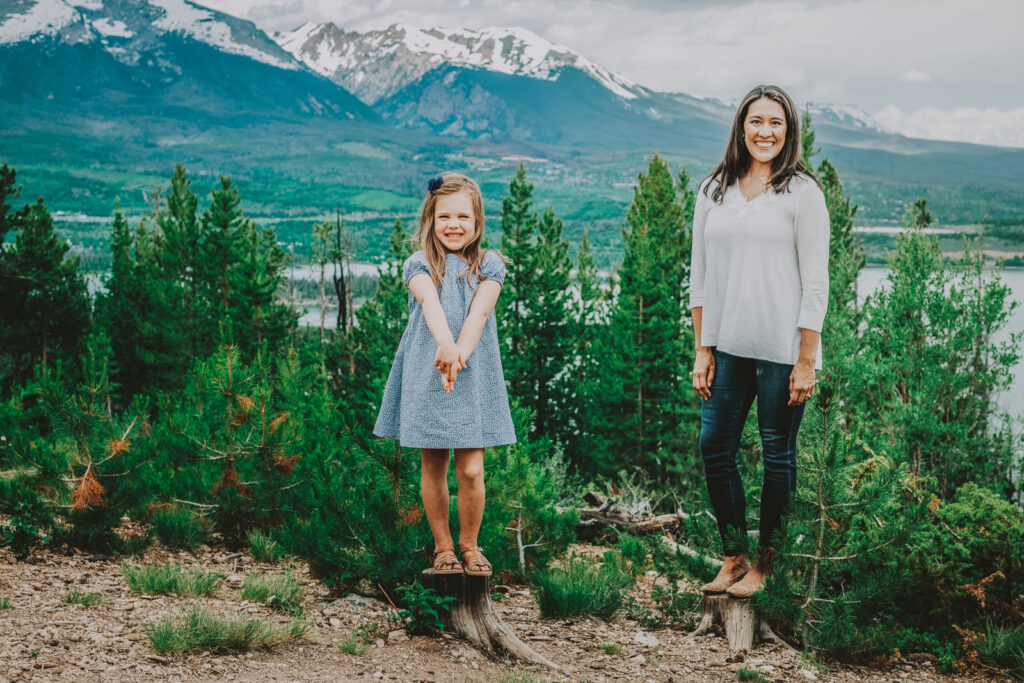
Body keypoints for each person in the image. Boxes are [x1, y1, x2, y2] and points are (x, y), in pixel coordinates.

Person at [689, 84, 830, 598]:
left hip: (782, 349)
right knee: (714, 447)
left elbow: (816, 283)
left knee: (777, 455)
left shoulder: (803, 193)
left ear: (788, 130)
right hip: (727, 345)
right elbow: (698, 277)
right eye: (756, 121)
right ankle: (733, 558)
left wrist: (807, 358)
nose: (765, 131)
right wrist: (703, 348)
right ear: (740, 127)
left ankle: (768, 565)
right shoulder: (713, 190)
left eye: (775, 122)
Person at [374, 172, 516, 576]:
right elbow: (429, 302)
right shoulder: (418, 263)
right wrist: (444, 345)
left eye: (463, 217)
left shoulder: (490, 264)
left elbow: (480, 312)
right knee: (433, 465)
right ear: (430, 220)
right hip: (426, 369)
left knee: (471, 468)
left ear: (477, 221)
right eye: (444, 217)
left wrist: (459, 353)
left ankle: (471, 545)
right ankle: (443, 548)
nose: (453, 225)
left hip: (473, 374)